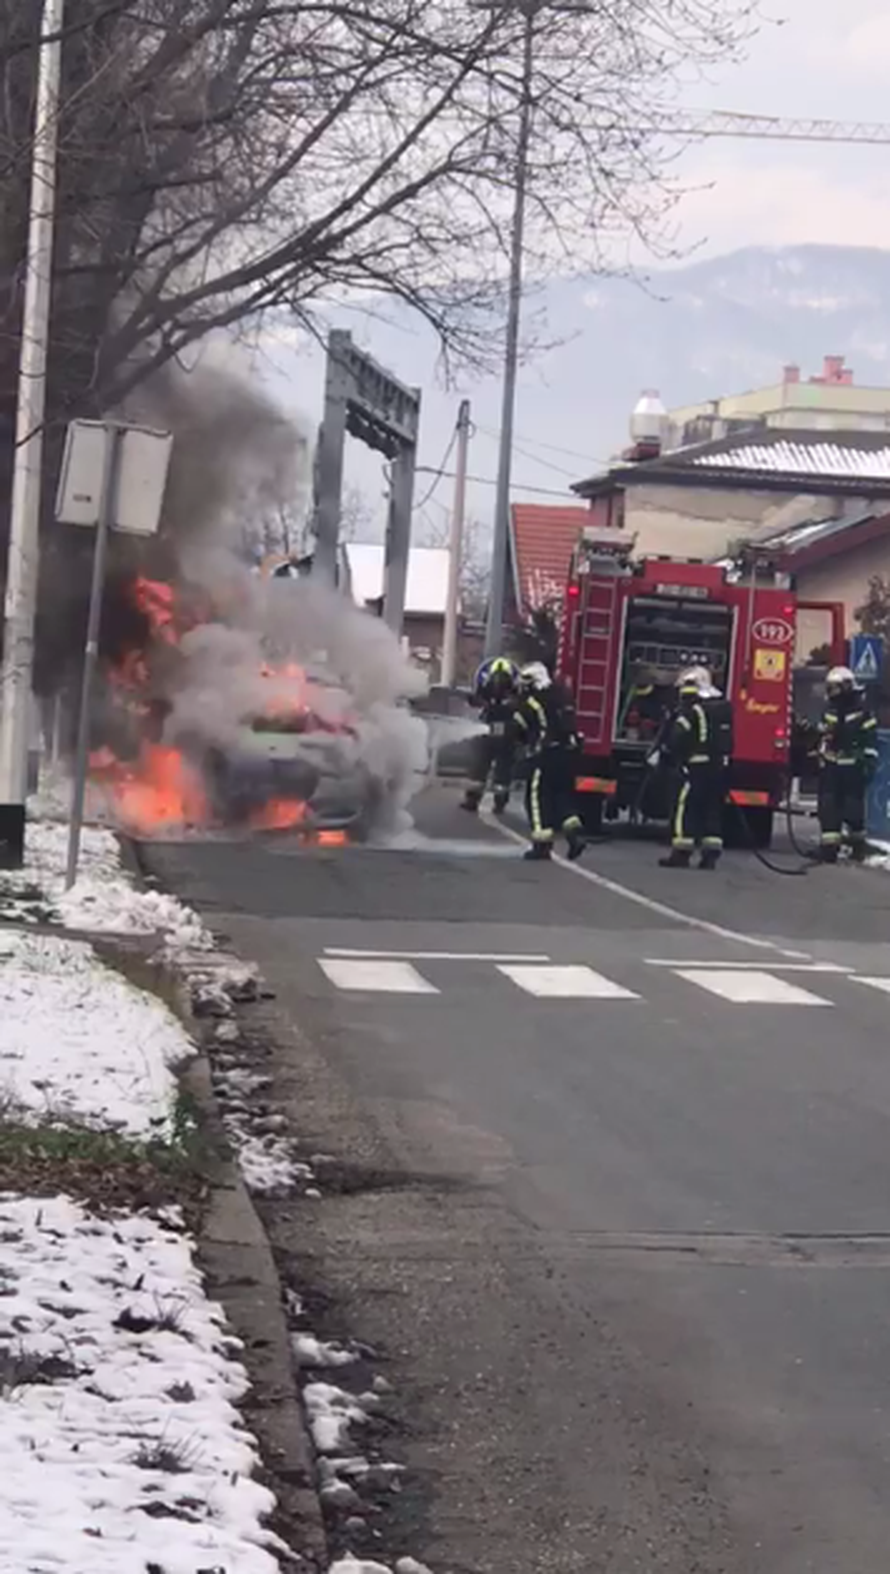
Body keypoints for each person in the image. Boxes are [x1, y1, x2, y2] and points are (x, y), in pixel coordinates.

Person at [658, 666, 732, 870]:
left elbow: (677, 737)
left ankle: (681, 852)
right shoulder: (721, 709)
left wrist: (668, 752)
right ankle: (711, 854)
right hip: (717, 768)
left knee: (686, 807)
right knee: (712, 809)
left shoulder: (690, 711)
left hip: (695, 769)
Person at [514, 661, 585, 862]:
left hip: (544, 756)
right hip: (567, 754)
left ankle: (541, 845)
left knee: (536, 798)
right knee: (562, 796)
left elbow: (518, 728)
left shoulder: (531, 702)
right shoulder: (562, 697)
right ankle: (574, 836)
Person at [817, 665, 879, 863]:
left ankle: (857, 847)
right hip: (832, 767)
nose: (831, 692)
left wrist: (869, 763)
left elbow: (869, 740)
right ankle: (829, 848)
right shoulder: (830, 711)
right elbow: (823, 734)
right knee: (828, 807)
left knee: (853, 809)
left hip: (853, 768)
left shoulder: (862, 713)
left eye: (834, 688)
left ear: (845, 686)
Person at [461, 657, 520, 815]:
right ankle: (486, 800)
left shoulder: (513, 697)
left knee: (488, 767)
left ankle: (480, 800)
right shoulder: (499, 694)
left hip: (498, 733)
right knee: (489, 767)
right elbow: (474, 701)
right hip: (494, 732)